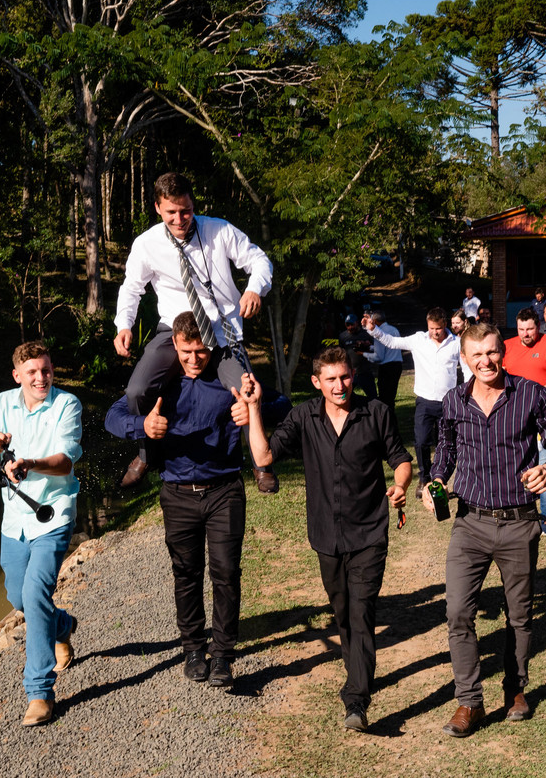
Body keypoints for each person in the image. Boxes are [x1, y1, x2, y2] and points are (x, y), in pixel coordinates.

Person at [242, 347, 412, 731]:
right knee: (342, 611)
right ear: (317, 382)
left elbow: (401, 458)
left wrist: (400, 485)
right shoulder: (303, 416)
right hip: (325, 535)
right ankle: (361, 671)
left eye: (345, 377)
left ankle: (356, 699)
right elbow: (265, 456)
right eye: (331, 379)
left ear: (353, 376)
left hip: (369, 531)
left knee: (360, 611)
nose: (340, 386)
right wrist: (253, 409)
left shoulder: (376, 413)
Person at [424, 323, 546, 738]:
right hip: (469, 522)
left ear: (501, 352)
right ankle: (469, 701)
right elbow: (446, 451)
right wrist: (435, 479)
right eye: (476, 356)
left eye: (491, 353)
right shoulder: (454, 400)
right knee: (457, 612)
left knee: (520, 614)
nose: (486, 361)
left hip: (518, 522)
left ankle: (515, 690)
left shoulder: (530, 393)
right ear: (464, 360)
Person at [104, 312, 251, 687]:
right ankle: (193, 650)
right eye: (187, 351)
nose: (194, 359)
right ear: (175, 346)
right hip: (178, 492)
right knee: (186, 575)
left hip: (224, 490)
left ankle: (223, 655)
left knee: (225, 573)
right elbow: (112, 415)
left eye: (201, 351)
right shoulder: (160, 384)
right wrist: (143, 427)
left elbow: (278, 403)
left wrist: (251, 410)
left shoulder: (226, 377)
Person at [112, 171, 279, 493]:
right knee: (136, 390)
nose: (179, 219)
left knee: (246, 391)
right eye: (171, 212)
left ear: (193, 205)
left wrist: (254, 289)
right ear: (158, 208)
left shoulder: (220, 230)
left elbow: (259, 261)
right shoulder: (146, 244)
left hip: (222, 330)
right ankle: (146, 454)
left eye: (185, 211)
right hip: (174, 331)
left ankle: (261, 464)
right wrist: (124, 325)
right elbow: (131, 288)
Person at [0, 342, 83, 727]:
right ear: (17, 375)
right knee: (18, 595)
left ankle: (39, 692)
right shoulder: (1, 404)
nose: (40, 378)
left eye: (46, 370)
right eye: (32, 372)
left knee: (35, 594)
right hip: (14, 520)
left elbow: (66, 462)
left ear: (53, 370)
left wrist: (30, 463)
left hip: (54, 515)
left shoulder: (67, 404)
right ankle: (62, 626)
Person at [362, 308, 461, 499]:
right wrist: (373, 330)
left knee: (445, 443)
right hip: (424, 400)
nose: (435, 332)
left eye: (439, 328)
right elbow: (392, 342)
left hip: (448, 401)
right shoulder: (418, 340)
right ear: (427, 326)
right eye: (432, 328)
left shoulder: (456, 343)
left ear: (445, 325)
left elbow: (465, 366)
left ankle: (440, 480)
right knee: (422, 441)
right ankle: (424, 477)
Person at [502, 308, 546, 536]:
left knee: (544, 467)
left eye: (530, 329)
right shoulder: (507, 346)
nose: (525, 334)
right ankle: (515, 513)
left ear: (538, 326)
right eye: (521, 329)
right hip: (514, 419)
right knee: (512, 467)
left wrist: (534, 395)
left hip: (545, 418)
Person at [364, 311, 404, 409]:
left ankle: (387, 419)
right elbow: (388, 347)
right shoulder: (394, 329)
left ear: (375, 321)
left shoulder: (379, 333)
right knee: (391, 396)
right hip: (397, 365)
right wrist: (370, 347)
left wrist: (363, 354)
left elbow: (379, 357)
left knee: (385, 398)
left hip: (387, 368)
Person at [339, 313, 378, 401]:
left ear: (357, 323)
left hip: (365, 371)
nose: (350, 327)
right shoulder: (342, 336)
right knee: (344, 396)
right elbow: (341, 353)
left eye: (352, 324)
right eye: (347, 325)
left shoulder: (366, 334)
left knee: (373, 397)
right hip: (350, 373)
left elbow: (376, 349)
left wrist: (366, 346)